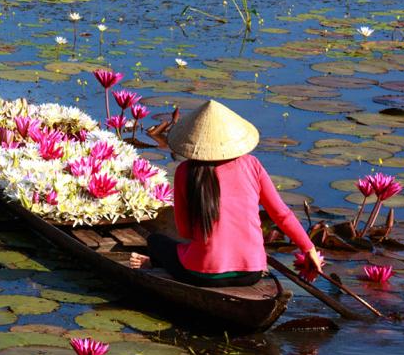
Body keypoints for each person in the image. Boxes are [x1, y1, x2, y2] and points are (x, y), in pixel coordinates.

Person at [129, 100, 324, 286]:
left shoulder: (184, 172)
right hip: (252, 273)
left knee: (156, 242)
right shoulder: (252, 165)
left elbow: (185, 231)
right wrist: (309, 249)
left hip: (201, 273)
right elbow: (281, 214)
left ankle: (154, 263)